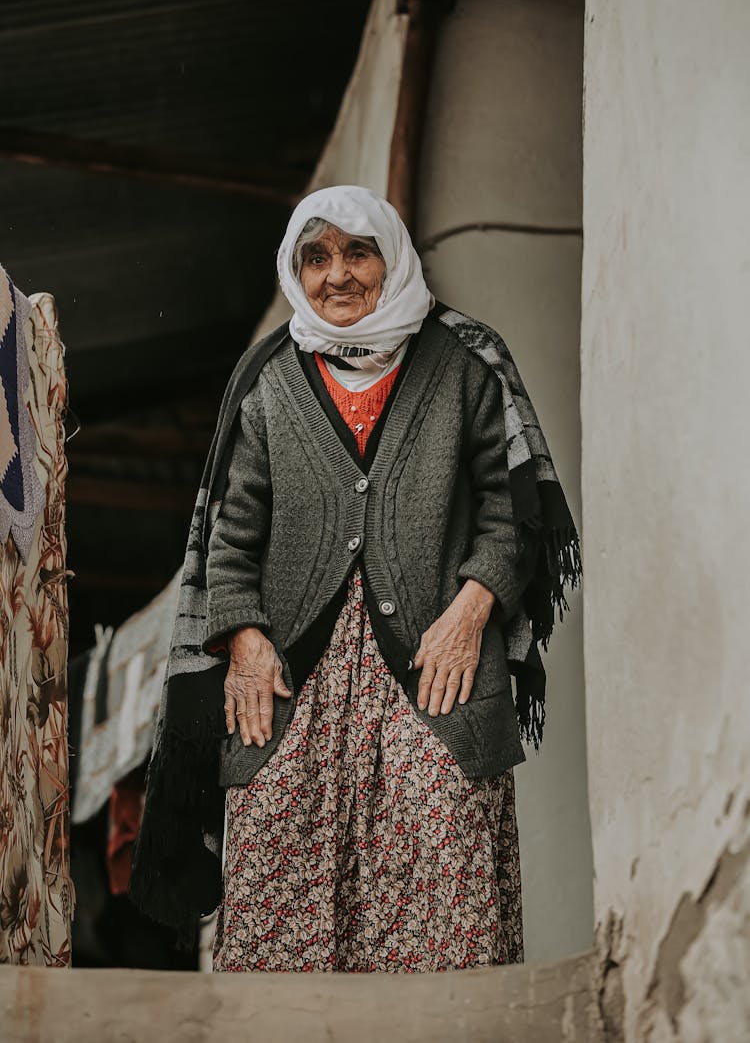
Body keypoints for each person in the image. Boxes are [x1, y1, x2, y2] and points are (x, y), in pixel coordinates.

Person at [130, 185, 580, 973]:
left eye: (357, 252)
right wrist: (242, 638)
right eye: (316, 257)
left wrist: (472, 609)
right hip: (289, 675)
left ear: (393, 257)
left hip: (436, 665)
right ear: (294, 272)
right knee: (278, 881)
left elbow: (512, 516)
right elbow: (231, 535)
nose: (337, 275)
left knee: (445, 886)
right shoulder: (270, 378)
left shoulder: (465, 362)